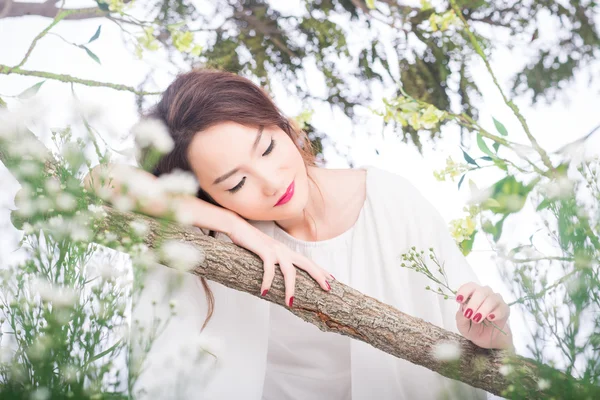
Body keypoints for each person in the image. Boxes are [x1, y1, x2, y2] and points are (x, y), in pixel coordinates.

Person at [84, 68, 514, 399]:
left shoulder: (388, 199)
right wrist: (239, 228)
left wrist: (491, 334)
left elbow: (490, 358)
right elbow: (101, 181)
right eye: (235, 184)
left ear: (282, 124)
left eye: (268, 148)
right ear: (209, 197)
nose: (271, 182)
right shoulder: (225, 233)